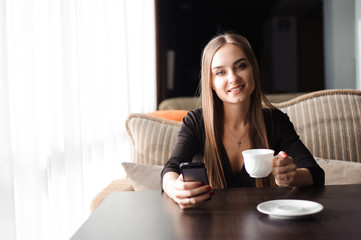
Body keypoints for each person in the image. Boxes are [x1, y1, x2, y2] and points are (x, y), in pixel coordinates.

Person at [161, 32, 325, 209]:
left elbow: (316, 174)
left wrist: (292, 175)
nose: (233, 78)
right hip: (211, 227)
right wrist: (174, 188)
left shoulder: (275, 121)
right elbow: (171, 169)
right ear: (211, 83)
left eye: (240, 66)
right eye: (221, 72)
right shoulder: (196, 122)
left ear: (253, 69)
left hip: (264, 226)